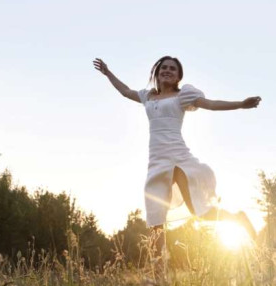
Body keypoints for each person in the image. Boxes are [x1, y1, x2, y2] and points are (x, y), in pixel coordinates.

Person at [93, 56, 261, 269]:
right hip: (156, 160)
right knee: (155, 219)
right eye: (164, 67)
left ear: (178, 76)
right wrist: (108, 73)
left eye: (173, 69)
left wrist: (240, 105)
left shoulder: (183, 96)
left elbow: (210, 104)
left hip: (178, 157)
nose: (168, 71)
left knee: (197, 211)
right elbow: (125, 91)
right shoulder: (148, 96)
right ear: (157, 72)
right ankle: (159, 274)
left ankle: (238, 218)